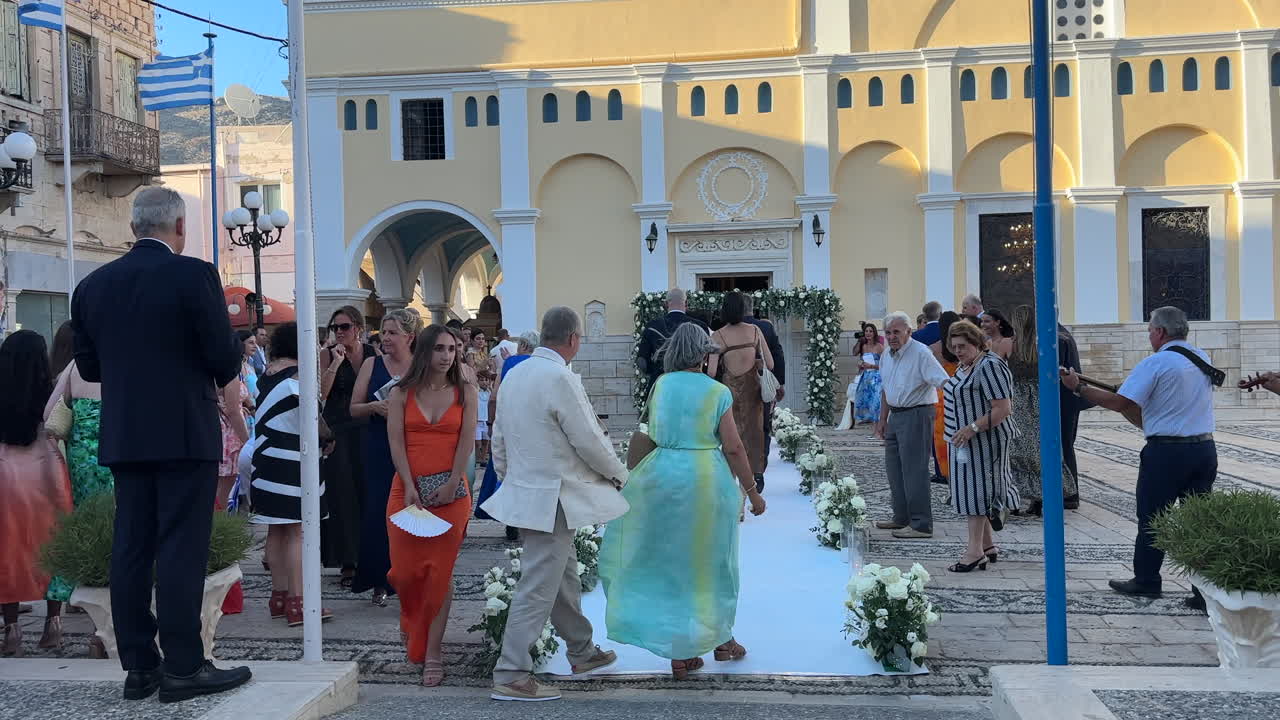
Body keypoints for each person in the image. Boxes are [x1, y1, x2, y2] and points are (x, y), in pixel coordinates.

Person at [71, 187, 249, 702]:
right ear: (179, 227)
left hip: (126, 435)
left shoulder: (93, 285)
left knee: (130, 548)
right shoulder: (194, 275)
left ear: (133, 229)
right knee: (180, 548)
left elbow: (89, 368)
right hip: (184, 432)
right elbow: (223, 359)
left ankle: (139, 667)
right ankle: (184, 667)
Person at [599, 323, 766, 679]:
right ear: (703, 355)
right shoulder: (717, 392)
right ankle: (722, 639)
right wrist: (752, 492)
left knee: (671, 564)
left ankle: (679, 653)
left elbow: (650, 432)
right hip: (706, 480)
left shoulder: (661, 385)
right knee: (714, 563)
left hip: (663, 477)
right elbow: (734, 446)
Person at [481, 307, 625, 702]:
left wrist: (509, 478)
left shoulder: (516, 373)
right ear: (574, 338)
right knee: (539, 584)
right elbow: (589, 438)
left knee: (562, 577)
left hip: (530, 491)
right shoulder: (560, 376)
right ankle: (511, 671)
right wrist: (618, 475)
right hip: (555, 495)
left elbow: (499, 435)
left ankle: (581, 651)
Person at [1060, 306, 1219, 608]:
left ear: (1159, 332)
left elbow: (1120, 402)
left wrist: (1078, 386)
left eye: (1149, 330)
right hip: (1203, 450)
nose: (1149, 335)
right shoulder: (1202, 359)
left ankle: (1146, 579)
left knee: (1153, 517)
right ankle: (1203, 590)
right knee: (1198, 520)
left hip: (1167, 452)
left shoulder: (1156, 363)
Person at [385, 324, 477, 686]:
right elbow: (396, 443)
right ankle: (411, 618)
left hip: (452, 495)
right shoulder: (400, 394)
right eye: (439, 349)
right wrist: (408, 484)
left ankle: (434, 652)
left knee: (440, 574)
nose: (446, 356)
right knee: (404, 574)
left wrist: (453, 482)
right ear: (424, 351)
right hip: (405, 491)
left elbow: (467, 440)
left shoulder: (465, 391)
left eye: (452, 349)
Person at [248, 323, 335, 627]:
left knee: (276, 530)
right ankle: (301, 603)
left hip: (265, 460)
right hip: (291, 462)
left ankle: (279, 597)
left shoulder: (265, 377)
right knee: (297, 532)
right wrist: (329, 438)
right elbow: (313, 417)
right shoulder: (297, 379)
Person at [43, 321, 113, 658]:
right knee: (119, 533)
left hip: (83, 462)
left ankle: (69, 601)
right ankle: (108, 627)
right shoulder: (121, 361)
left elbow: (50, 415)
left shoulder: (74, 367)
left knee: (84, 528)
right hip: (118, 457)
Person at [0, 331, 72, 657]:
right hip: (47, 475)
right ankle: (53, 624)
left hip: (6, 477)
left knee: (8, 550)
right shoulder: (50, 389)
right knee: (54, 548)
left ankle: (12, 631)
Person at [349, 309, 423, 606]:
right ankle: (379, 578)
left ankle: (411, 580)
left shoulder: (421, 366)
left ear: (410, 337)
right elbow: (353, 407)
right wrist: (374, 408)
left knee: (411, 512)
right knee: (379, 512)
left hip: (413, 447)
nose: (386, 337)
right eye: (384, 331)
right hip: (378, 446)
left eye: (393, 332)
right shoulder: (372, 363)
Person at [941, 321, 1019, 572]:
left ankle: (974, 552)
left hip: (985, 439)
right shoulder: (966, 366)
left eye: (963, 346)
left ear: (976, 343)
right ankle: (987, 545)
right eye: (954, 347)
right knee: (969, 490)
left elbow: (1003, 408)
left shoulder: (990, 366)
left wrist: (972, 428)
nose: (958, 351)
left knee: (976, 492)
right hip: (964, 441)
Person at [875, 311, 949, 539]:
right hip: (895, 415)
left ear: (909, 331)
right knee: (894, 470)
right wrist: (882, 420)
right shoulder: (887, 354)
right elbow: (886, 388)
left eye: (896, 332)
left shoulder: (921, 353)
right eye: (888, 332)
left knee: (914, 470)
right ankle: (901, 517)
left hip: (917, 413)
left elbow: (942, 379)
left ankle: (921, 523)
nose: (891, 336)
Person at [320, 305, 374, 587]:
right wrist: (334, 363)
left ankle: (369, 556)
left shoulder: (371, 355)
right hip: (338, 430)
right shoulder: (327, 354)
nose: (339, 333)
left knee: (367, 492)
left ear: (358, 328)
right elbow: (321, 394)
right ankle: (347, 561)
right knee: (343, 496)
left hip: (366, 428)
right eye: (335, 328)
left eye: (345, 327)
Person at [1007, 305, 1078, 515]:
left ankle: (1016, 496)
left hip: (1018, 400)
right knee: (1041, 449)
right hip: (1041, 398)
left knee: (1017, 450)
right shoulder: (1045, 345)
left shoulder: (1011, 345)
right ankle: (1043, 497)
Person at [707, 291, 775, 493]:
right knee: (753, 436)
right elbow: (770, 363)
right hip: (753, 391)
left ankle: (732, 487)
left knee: (731, 438)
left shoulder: (718, 335)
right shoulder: (754, 331)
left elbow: (711, 372)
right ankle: (752, 485)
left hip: (729, 392)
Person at [475, 330, 538, 541]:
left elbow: (493, 398)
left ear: (522, 345)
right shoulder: (542, 365)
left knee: (506, 470)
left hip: (510, 426)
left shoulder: (510, 364)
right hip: (533, 428)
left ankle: (510, 520)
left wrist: (492, 424)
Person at [636, 288, 711, 390]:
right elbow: (707, 356)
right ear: (686, 303)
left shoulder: (652, 326)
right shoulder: (700, 326)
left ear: (666, 304)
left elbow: (642, 361)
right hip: (692, 384)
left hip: (661, 383)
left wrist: (655, 371)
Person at [743, 294, 784, 479]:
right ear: (753, 307)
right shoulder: (765, 327)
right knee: (763, 425)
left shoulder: (727, 329)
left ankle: (742, 467)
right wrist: (779, 383)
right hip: (762, 385)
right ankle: (760, 467)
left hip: (738, 386)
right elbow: (777, 356)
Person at [1058, 323, 1090, 509]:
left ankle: (1070, 494)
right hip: (1065, 401)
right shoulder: (1061, 334)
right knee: (1065, 445)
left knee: (1064, 445)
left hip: (1064, 401)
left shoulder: (1059, 338)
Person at [930, 311, 962, 485]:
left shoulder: (934, 348)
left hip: (940, 397)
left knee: (941, 439)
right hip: (959, 394)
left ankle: (945, 475)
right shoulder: (962, 348)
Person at [854, 323, 884, 424]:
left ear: (874, 333)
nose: (868, 333)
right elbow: (857, 355)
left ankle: (877, 418)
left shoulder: (879, 347)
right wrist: (861, 364)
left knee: (875, 392)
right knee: (861, 391)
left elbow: (884, 365)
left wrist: (871, 366)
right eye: (866, 331)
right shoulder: (864, 346)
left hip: (877, 376)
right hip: (866, 375)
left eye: (870, 331)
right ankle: (867, 417)